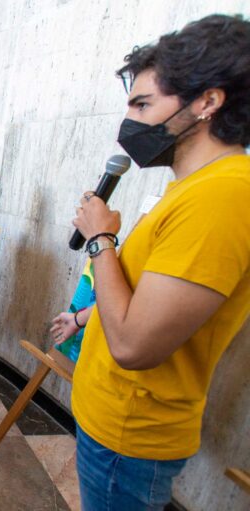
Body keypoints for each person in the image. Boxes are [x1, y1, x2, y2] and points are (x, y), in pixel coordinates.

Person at [70, 15, 250, 510]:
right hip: (111, 417)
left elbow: (133, 344)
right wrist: (84, 315)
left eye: (144, 104)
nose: (130, 122)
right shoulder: (193, 189)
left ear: (207, 102)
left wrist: (100, 237)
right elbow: (141, 300)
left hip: (130, 433)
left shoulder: (224, 195)